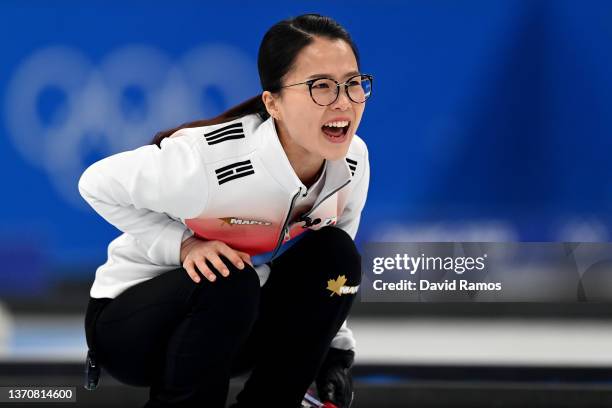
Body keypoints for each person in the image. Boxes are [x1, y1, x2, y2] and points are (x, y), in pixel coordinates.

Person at [80, 13, 372, 408]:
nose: (343, 103)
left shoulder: (351, 162)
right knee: (229, 279)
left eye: (353, 84)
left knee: (335, 253)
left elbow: (330, 283)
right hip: (132, 329)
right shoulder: (208, 164)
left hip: (233, 323)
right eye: (321, 87)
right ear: (274, 103)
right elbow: (95, 182)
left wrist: (333, 353)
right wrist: (182, 246)